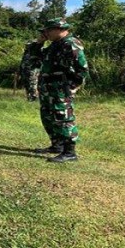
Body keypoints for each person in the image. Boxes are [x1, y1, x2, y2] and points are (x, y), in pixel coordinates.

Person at [29, 18, 89, 163]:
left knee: (63, 118)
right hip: (49, 90)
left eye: (48, 30)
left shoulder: (71, 44)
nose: (46, 33)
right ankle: (57, 146)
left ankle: (70, 152)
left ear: (59, 29)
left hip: (61, 89)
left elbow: (82, 69)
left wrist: (72, 87)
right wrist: (39, 43)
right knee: (48, 117)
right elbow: (35, 59)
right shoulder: (54, 45)